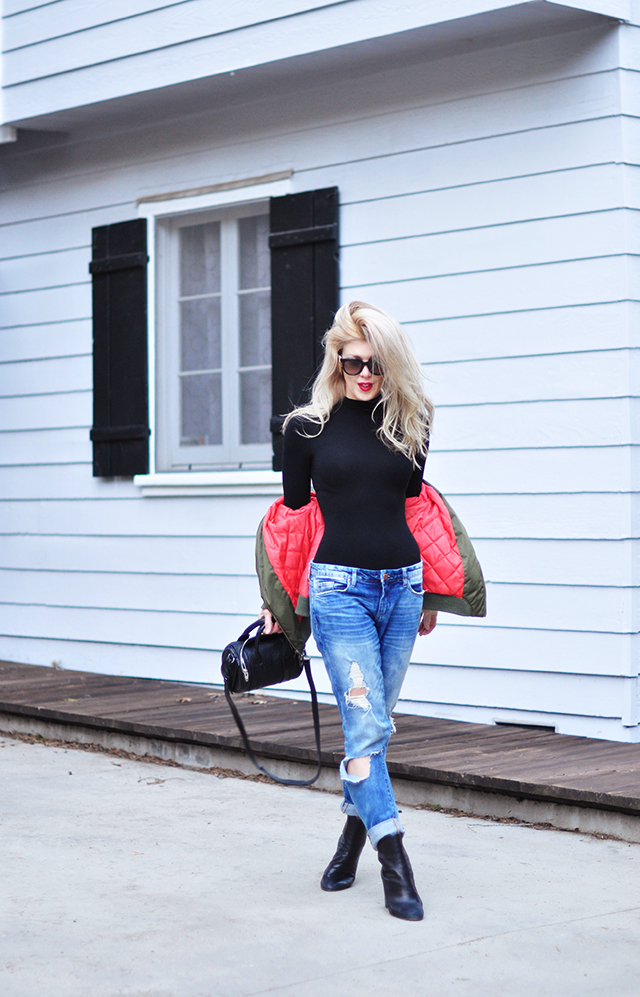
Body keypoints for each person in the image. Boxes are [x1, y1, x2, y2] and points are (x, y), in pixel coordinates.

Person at [260, 300, 437, 921]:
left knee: (374, 726)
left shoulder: (411, 423)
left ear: (392, 366)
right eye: (353, 361)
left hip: (403, 588)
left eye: (376, 364)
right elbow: (292, 519)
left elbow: (415, 508)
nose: (364, 374)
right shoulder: (305, 429)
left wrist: (432, 593)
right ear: (337, 359)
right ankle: (397, 862)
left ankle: (350, 838)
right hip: (339, 592)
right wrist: (279, 601)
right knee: (366, 727)